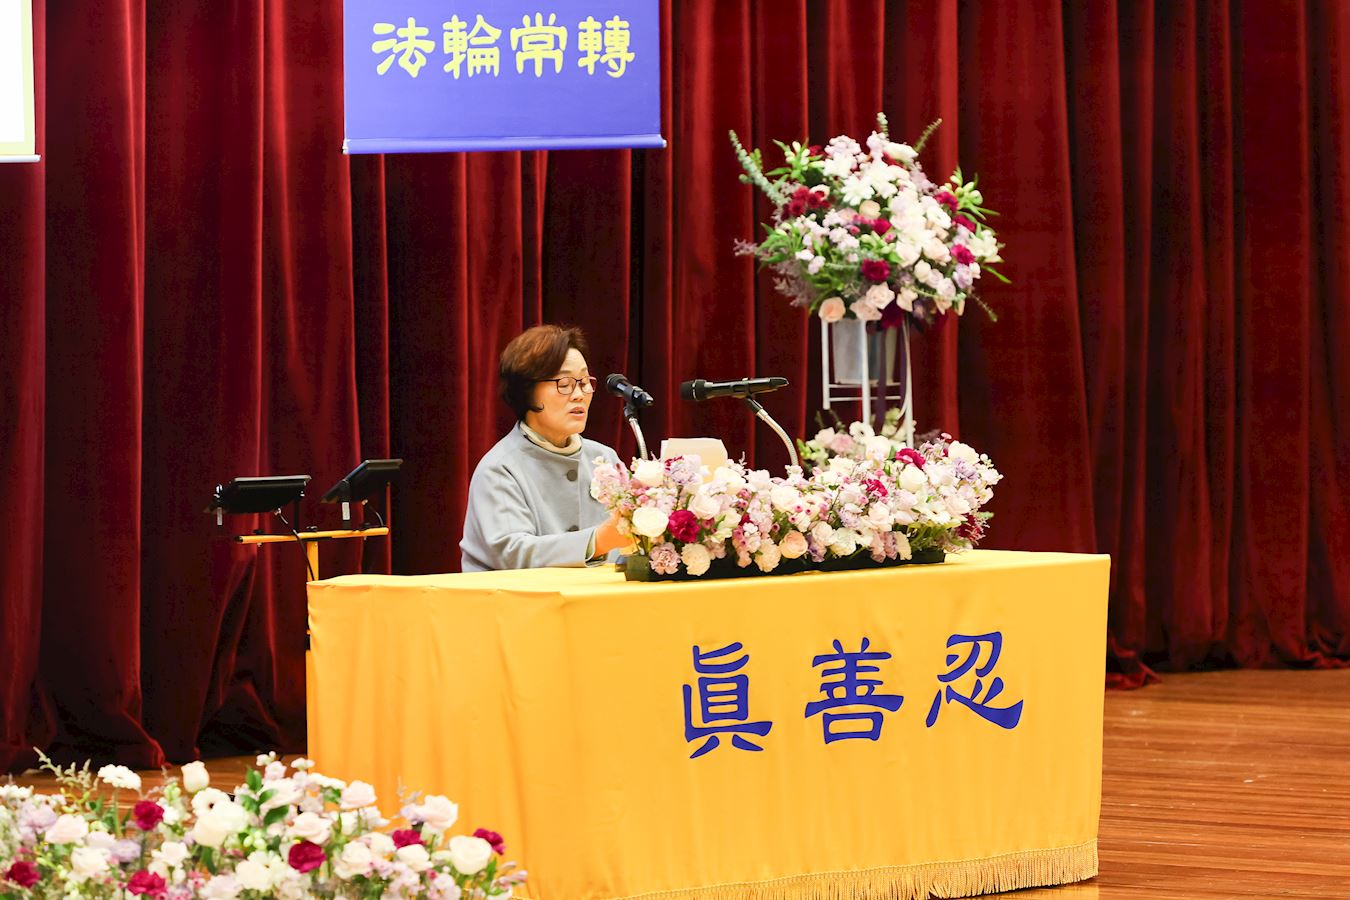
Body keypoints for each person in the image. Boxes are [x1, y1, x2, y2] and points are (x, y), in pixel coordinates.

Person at [460, 325, 629, 572]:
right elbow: (511, 551)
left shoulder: (603, 458)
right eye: (564, 383)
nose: (579, 394)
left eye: (584, 382)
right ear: (527, 391)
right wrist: (596, 541)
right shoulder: (499, 468)